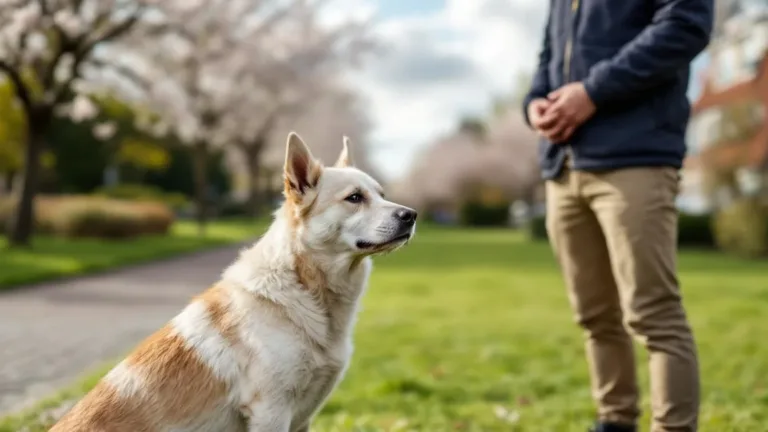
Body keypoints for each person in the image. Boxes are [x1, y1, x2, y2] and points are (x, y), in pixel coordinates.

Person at [522, 1, 714, 432]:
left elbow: (685, 25)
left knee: (653, 313)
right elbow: (549, 57)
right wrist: (534, 102)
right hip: (564, 166)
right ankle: (615, 420)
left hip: (635, 159)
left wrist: (593, 92)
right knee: (594, 314)